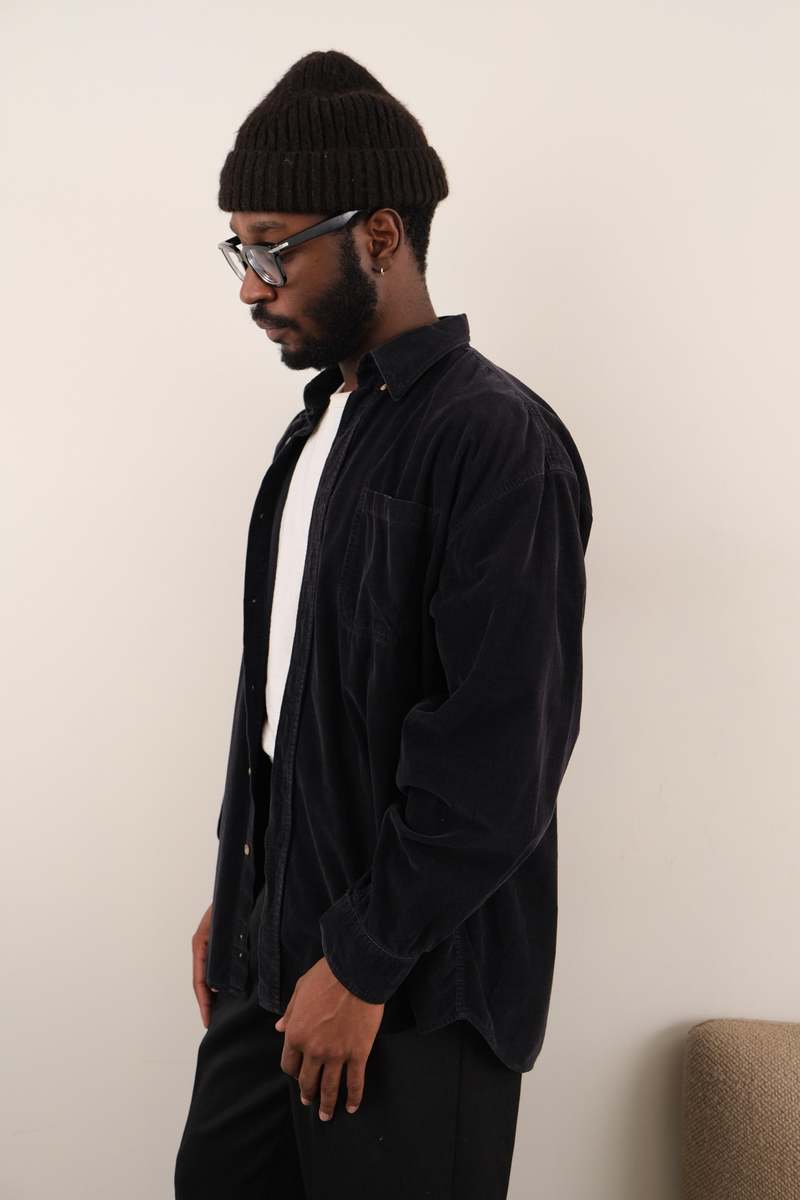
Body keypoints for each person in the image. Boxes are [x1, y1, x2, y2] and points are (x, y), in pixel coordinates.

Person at [174, 48, 593, 1200]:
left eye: (273, 248)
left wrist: (360, 963)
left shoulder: (493, 438)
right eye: (238, 251)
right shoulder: (316, 432)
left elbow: (500, 752)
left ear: (379, 235)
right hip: (276, 951)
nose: (251, 287)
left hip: (410, 988)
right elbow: (290, 708)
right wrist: (244, 887)